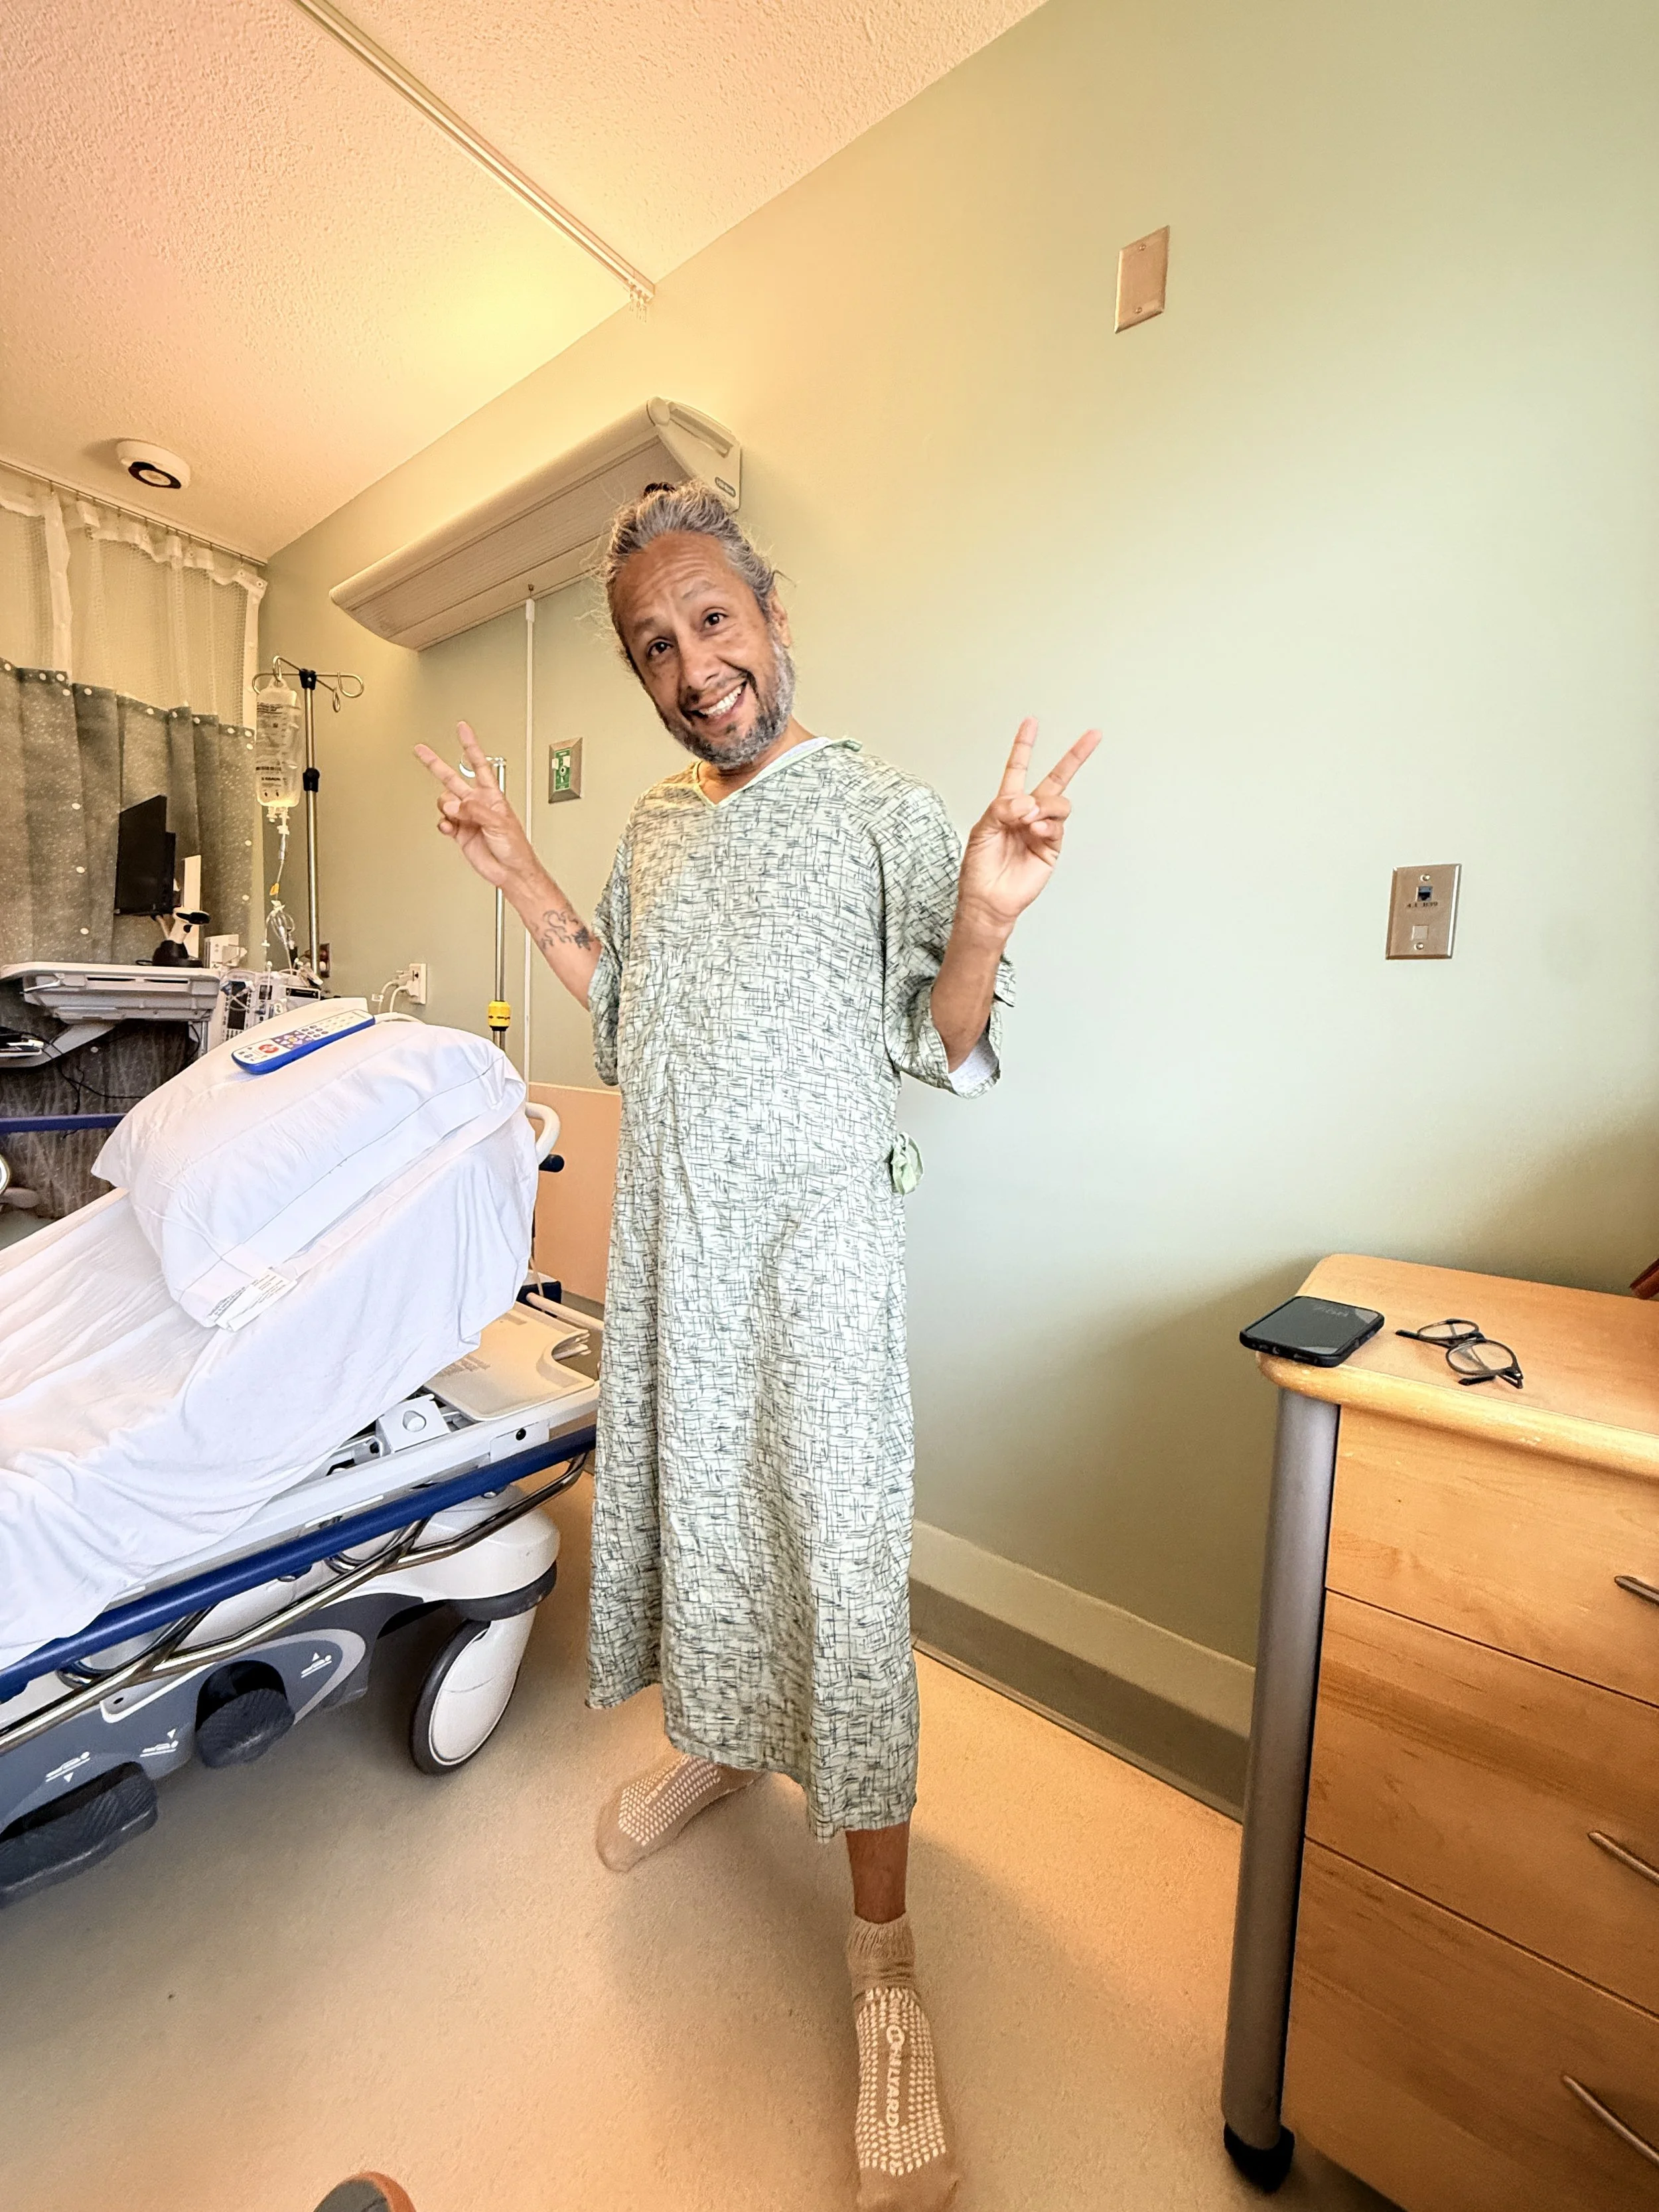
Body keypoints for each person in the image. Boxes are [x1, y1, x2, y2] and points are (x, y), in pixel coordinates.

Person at [416, 484, 1096, 2209]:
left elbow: (944, 1044)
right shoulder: (654, 824)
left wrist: (986, 916)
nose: (690, 664)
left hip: (816, 1271)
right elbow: (625, 1009)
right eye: (653, 644)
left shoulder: (878, 806)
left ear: (773, 617)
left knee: (842, 1584)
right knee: (708, 1527)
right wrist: (516, 870)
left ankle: (885, 1968)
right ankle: (719, 1741)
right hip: (677, 1261)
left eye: (711, 619)